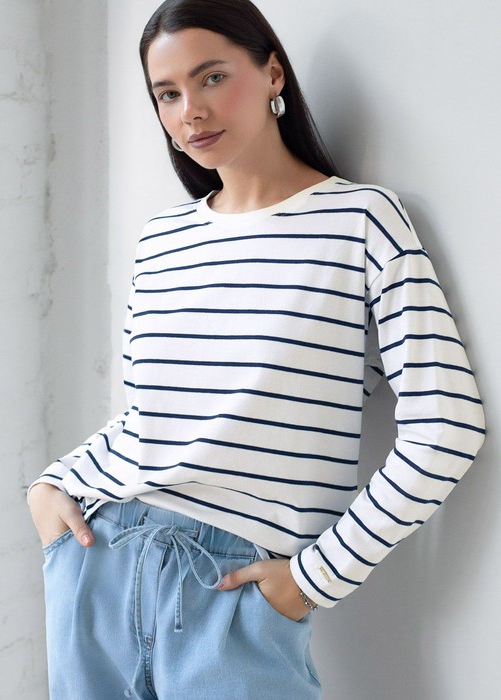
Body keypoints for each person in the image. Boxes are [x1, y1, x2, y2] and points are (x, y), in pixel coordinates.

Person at [28, 1, 486, 698]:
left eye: (212, 78)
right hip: (98, 556)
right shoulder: (162, 241)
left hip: (234, 588)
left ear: (273, 73)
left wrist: (314, 578)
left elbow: (447, 426)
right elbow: (152, 418)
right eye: (167, 94)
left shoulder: (362, 221)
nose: (191, 111)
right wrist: (50, 485)